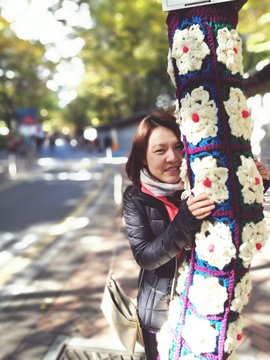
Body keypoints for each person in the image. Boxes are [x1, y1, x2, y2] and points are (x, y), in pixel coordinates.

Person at [123, 110, 270, 360]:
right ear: (143, 159)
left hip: (206, 305)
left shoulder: (201, 183)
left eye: (178, 147)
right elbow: (146, 256)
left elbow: (230, 214)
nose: (173, 157)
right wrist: (185, 219)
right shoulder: (135, 197)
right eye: (160, 151)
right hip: (160, 314)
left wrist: (256, 184)